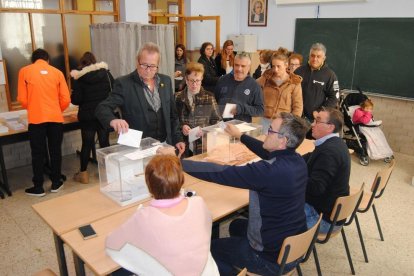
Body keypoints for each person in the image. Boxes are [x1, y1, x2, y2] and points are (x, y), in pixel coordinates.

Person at [180, 112, 309, 275]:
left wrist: (178, 163)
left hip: (269, 259)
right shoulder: (298, 160)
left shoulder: (267, 172)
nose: (266, 133)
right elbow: (267, 153)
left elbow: (221, 172)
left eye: (270, 130)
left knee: (209, 250)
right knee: (235, 225)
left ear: (283, 140)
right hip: (293, 247)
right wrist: (240, 136)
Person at [106, 155, 218, 275]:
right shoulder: (198, 202)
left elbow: (112, 244)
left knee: (120, 271)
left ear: (148, 186)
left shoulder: (144, 217)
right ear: (181, 180)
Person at [95, 42, 185, 154]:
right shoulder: (124, 84)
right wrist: (113, 120)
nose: (148, 70)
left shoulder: (165, 81)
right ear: (137, 62)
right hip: (137, 148)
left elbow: (173, 115)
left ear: (158, 65)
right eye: (144, 65)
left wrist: (178, 139)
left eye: (152, 66)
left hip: (164, 145)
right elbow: (102, 108)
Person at [17, 48, 70, 196]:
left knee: (37, 153)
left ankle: (38, 187)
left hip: (36, 119)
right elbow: (66, 99)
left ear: (33, 60)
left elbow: (22, 99)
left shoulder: (24, 71)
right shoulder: (57, 72)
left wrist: (34, 107)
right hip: (55, 118)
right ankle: (56, 183)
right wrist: (55, 109)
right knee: (55, 151)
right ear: (48, 60)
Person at [303, 107, 350, 233]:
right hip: (331, 213)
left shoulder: (329, 152)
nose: (312, 124)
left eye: (317, 121)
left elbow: (316, 188)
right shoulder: (335, 143)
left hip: (322, 220)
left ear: (330, 127)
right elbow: (308, 158)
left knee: (274, 201)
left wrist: (292, 175)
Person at [70, 52, 114, 184]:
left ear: (82, 63)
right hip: (103, 114)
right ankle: (108, 172)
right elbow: (114, 89)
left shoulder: (79, 77)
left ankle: (83, 174)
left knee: (87, 144)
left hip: (88, 116)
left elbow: (76, 100)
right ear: (95, 62)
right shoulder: (105, 73)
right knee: (104, 143)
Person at [175, 62, 222, 156]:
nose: (194, 84)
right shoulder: (177, 97)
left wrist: (205, 130)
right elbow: (173, 120)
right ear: (186, 79)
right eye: (191, 80)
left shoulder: (209, 97)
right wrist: (182, 127)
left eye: (197, 80)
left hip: (203, 146)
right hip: (183, 146)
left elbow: (218, 122)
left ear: (202, 79)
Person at [257, 52, 303, 133]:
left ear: (286, 65)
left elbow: (298, 106)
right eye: (273, 66)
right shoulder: (266, 77)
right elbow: (253, 87)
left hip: (284, 123)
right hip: (265, 121)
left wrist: (291, 124)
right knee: (262, 144)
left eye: (278, 66)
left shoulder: (294, 82)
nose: (275, 69)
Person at [295, 43, 339, 122]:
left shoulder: (330, 75)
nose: (315, 59)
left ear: (324, 58)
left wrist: (320, 111)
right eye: (312, 55)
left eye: (318, 56)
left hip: (314, 120)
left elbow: (334, 97)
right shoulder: (299, 71)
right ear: (309, 56)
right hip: (296, 116)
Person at [215, 52, 264, 123]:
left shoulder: (254, 85)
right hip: (222, 126)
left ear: (249, 67)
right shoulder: (222, 80)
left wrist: (240, 108)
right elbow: (214, 103)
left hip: (242, 129)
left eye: (243, 66)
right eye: (237, 65)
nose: (239, 69)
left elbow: (260, 110)